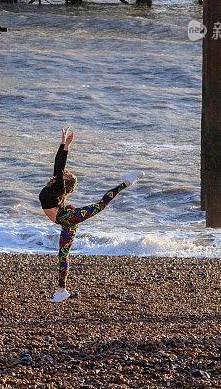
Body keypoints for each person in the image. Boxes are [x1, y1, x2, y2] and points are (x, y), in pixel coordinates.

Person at [39, 127, 143, 303]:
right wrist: (63, 142)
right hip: (65, 220)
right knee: (63, 255)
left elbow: (60, 163)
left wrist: (66, 146)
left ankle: (126, 182)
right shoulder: (56, 184)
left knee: (100, 205)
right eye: (65, 172)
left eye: (66, 174)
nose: (64, 172)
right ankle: (61, 291)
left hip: (67, 217)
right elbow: (58, 163)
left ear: (67, 181)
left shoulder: (59, 187)